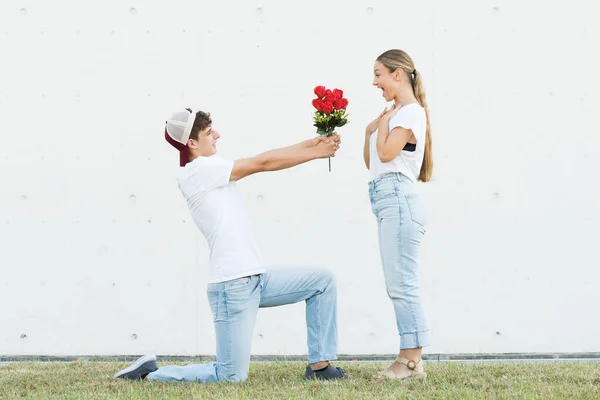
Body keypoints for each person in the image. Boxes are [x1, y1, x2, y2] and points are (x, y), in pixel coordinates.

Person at [113, 108, 347, 383]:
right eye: (209, 132)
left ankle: (319, 366)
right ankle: (150, 373)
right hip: (232, 287)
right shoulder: (197, 171)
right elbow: (263, 163)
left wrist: (315, 143)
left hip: (256, 278)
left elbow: (266, 156)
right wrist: (315, 153)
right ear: (191, 144)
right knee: (230, 376)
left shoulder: (210, 167)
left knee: (322, 282)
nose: (217, 135)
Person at [363, 49, 433, 380]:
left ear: (398, 74)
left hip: (399, 199)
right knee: (397, 282)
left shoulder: (410, 113)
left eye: (379, 74)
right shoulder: (399, 114)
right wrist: (369, 130)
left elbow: (387, 151)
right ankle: (411, 360)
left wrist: (385, 123)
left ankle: (410, 361)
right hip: (386, 195)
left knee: (402, 283)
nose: (374, 81)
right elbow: (374, 163)